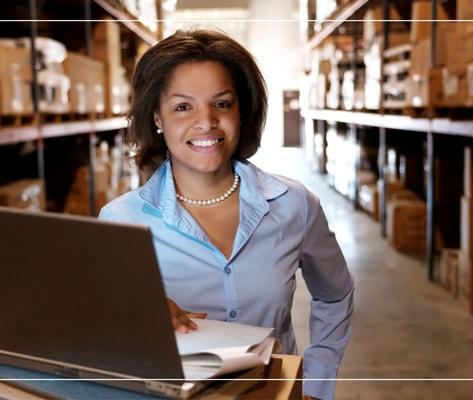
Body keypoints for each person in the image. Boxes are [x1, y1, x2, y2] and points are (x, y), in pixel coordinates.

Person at [99, 29, 354, 400]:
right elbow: (101, 332)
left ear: (241, 111)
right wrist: (137, 319)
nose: (206, 122)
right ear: (157, 117)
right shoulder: (122, 221)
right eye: (183, 107)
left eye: (221, 103)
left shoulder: (293, 205)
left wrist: (315, 382)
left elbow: (335, 295)